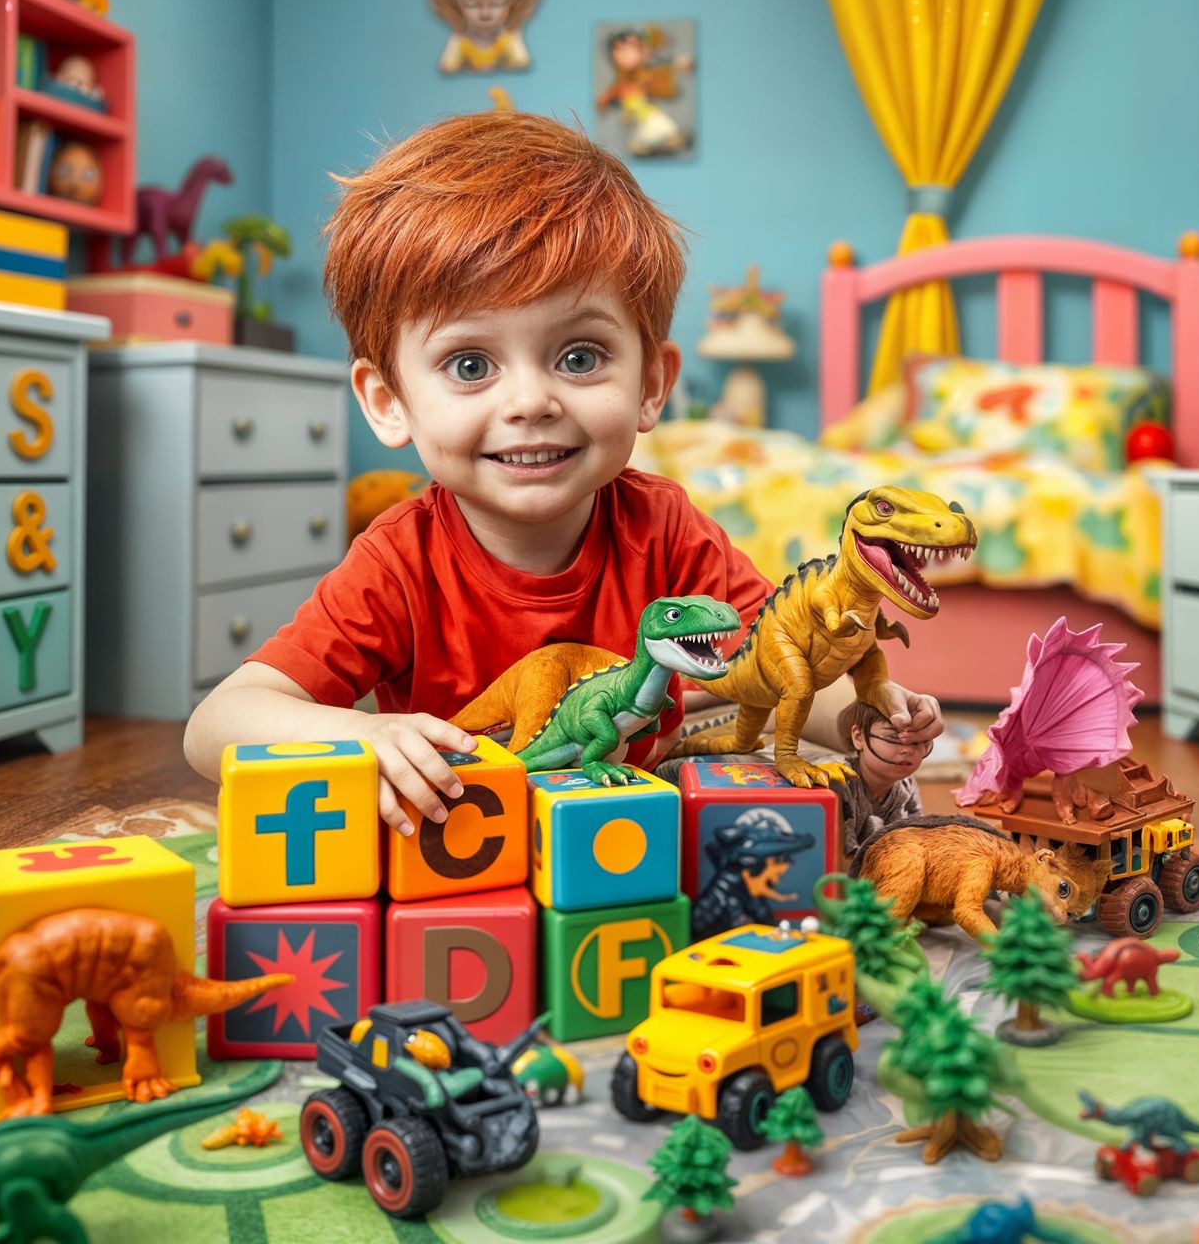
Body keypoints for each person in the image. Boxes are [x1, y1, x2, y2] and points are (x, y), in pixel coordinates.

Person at [184, 112, 938, 835]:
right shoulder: (398, 562)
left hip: (627, 839)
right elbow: (216, 724)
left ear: (650, 385)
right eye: (470, 364)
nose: (531, 402)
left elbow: (776, 666)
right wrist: (357, 734)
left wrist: (866, 718)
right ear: (390, 403)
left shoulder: (666, 530)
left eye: (579, 357)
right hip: (460, 841)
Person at [835, 699, 936, 862]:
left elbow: (917, 834)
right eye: (893, 738)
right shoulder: (842, 781)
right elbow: (844, 854)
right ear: (859, 737)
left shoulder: (906, 783)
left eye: (918, 741)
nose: (908, 750)